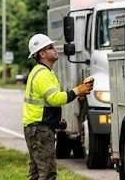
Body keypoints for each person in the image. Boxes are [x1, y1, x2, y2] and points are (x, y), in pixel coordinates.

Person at [23, 33, 93, 180]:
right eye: (51, 47)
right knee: (48, 173)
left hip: (37, 128)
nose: (55, 49)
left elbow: (48, 101)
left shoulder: (43, 72)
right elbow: (54, 99)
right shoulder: (43, 74)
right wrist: (77, 90)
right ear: (42, 53)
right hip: (40, 129)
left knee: (36, 174)